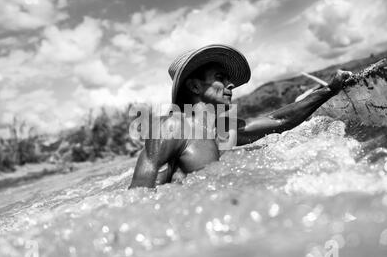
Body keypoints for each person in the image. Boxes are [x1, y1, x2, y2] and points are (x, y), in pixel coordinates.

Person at [129, 44, 352, 189]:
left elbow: (279, 121)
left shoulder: (223, 130)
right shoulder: (173, 127)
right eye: (220, 77)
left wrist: (329, 90)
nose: (231, 84)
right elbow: (137, 197)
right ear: (195, 86)